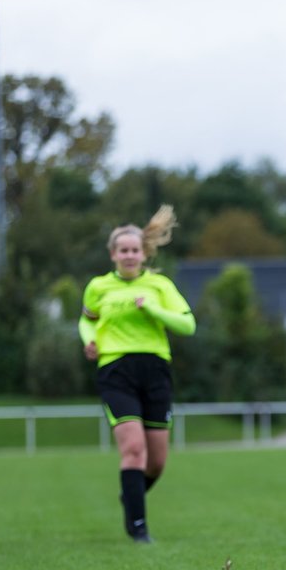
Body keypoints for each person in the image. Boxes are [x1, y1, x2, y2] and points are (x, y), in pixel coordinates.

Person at [79, 205, 196, 544]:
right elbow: (87, 320)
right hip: (115, 370)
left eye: (135, 250)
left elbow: (187, 325)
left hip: (155, 369)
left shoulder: (160, 286)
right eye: (123, 250)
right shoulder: (98, 287)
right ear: (113, 254)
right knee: (133, 450)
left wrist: (153, 309)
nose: (130, 255)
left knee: (156, 462)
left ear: (143, 253)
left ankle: (131, 496)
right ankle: (138, 527)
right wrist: (90, 341)